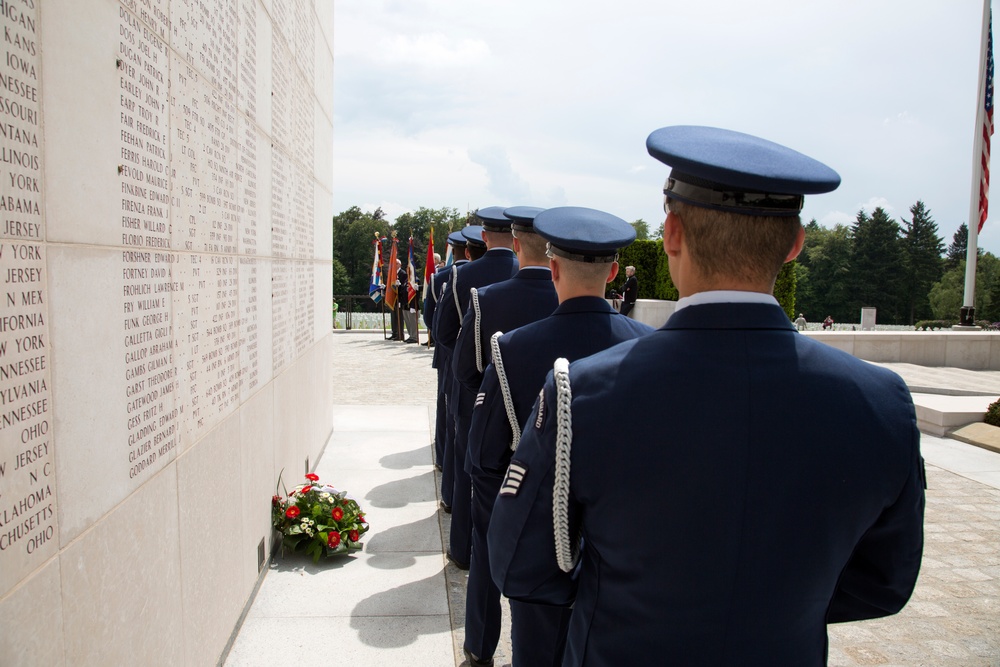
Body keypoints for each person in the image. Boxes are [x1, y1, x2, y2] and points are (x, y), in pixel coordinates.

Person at [488, 125, 925, 666]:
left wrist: (622, 598)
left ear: (672, 232)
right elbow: (884, 582)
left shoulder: (582, 393)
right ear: (795, 246)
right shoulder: (881, 402)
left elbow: (518, 564)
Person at [469, 206, 654, 667]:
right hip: (623, 554)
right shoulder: (649, 347)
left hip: (541, 550)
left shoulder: (511, 347)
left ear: (552, 267)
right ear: (614, 271)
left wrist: (506, 539)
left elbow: (484, 458)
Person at [452, 206, 558, 667]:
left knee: (487, 542)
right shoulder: (625, 332)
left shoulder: (487, 297)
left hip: (506, 448)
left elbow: (463, 371)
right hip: (575, 467)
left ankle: (480, 643)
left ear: (517, 245)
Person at [434, 209, 519, 572]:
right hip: (530, 395)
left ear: (484, 237)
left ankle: (463, 549)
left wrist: (477, 373)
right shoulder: (547, 280)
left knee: (470, 467)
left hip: (476, 387)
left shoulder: (461, 275)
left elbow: (442, 332)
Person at [424, 231, 470, 478]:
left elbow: (430, 319)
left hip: (448, 351)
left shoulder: (440, 277)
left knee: (445, 405)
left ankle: (442, 457)